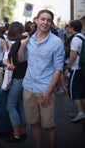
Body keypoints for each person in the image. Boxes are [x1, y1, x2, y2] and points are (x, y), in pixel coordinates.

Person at [18, 9, 64, 148]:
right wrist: (22, 45)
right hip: (28, 88)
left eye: (48, 20)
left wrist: (48, 91)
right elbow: (21, 59)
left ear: (51, 23)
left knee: (48, 126)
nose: (45, 22)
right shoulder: (29, 40)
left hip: (45, 90)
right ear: (36, 20)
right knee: (34, 123)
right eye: (42, 19)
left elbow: (58, 69)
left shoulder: (56, 42)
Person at [4, 22, 27, 143]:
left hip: (17, 78)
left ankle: (16, 135)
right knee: (20, 105)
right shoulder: (26, 42)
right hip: (25, 78)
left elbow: (14, 66)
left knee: (11, 106)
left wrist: (7, 64)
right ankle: (22, 132)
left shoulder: (16, 45)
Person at [64, 20, 85, 122]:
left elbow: (73, 55)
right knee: (81, 92)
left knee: (72, 91)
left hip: (76, 69)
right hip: (82, 68)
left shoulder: (75, 39)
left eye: (69, 27)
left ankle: (80, 112)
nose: (68, 28)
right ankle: (81, 112)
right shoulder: (82, 36)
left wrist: (67, 68)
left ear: (72, 28)